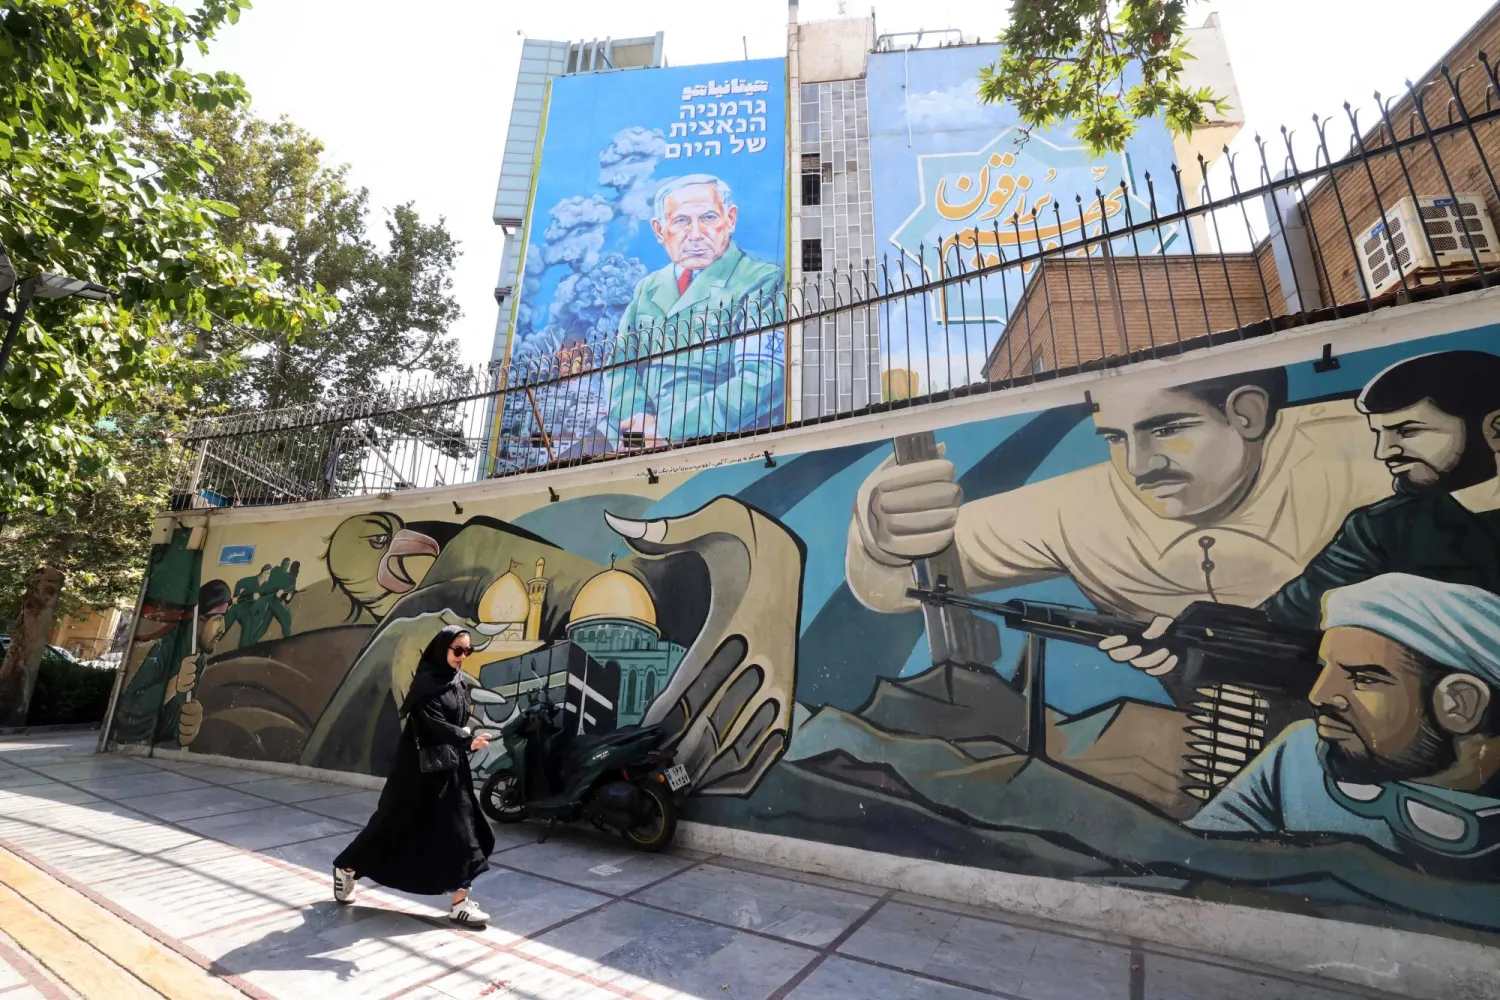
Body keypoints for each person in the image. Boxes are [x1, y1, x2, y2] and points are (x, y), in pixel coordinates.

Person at [846, 367, 1390, 623]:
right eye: (1115, 438)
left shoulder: (1370, 450)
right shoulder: (1078, 511)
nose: (1138, 464)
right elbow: (895, 587)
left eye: (1168, 428)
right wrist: (878, 535)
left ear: (1246, 414)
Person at [1104, 350, 1500, 674]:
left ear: (1494, 429)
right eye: (1381, 433)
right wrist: (1186, 644)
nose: (1385, 452)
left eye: (1409, 431)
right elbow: (1286, 621)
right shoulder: (1382, 529)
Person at [1188, 573, 1500, 867]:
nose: (1320, 695)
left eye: (1363, 678)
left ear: (1460, 704)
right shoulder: (1301, 755)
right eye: (1326, 668)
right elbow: (1200, 856)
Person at [332, 626, 496, 927]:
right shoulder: (426, 684)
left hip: (450, 770)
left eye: (467, 651)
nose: (462, 656)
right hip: (416, 774)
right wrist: (464, 738)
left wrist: (465, 741)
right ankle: (346, 866)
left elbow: (456, 721)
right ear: (441, 649)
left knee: (465, 832)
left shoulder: (457, 683)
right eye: (457, 650)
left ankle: (460, 901)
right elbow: (432, 723)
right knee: (390, 826)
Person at [607, 174, 785, 446]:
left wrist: (667, 428)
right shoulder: (648, 288)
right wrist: (636, 417)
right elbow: (620, 365)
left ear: (731, 219)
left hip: (718, 441)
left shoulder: (761, 279)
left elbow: (761, 380)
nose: (696, 234)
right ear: (659, 230)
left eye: (709, 218)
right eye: (681, 221)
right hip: (637, 438)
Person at [113, 580, 231, 748]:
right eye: (219, 619)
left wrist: (190, 721)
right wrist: (173, 685)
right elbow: (129, 708)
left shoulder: (198, 657)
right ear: (200, 622)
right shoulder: (166, 647)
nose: (223, 629)